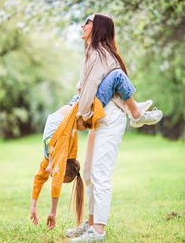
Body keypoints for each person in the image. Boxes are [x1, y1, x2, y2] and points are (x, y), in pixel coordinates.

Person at [66, 13, 162, 242]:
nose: (82, 25)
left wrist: (83, 114)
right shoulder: (90, 54)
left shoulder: (100, 54)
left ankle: (98, 231)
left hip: (109, 119)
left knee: (100, 174)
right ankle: (90, 223)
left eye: (87, 22)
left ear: (97, 28)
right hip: (97, 120)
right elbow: (83, 89)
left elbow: (90, 88)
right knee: (88, 173)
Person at [30, 69, 162, 232]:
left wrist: (35, 206)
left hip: (81, 104)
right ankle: (134, 111)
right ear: (62, 165)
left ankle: (133, 110)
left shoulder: (50, 155)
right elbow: (53, 179)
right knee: (116, 76)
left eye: (53, 174)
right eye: (55, 173)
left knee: (114, 76)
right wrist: (51, 211)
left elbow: (39, 179)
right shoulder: (59, 151)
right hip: (83, 106)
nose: (50, 175)